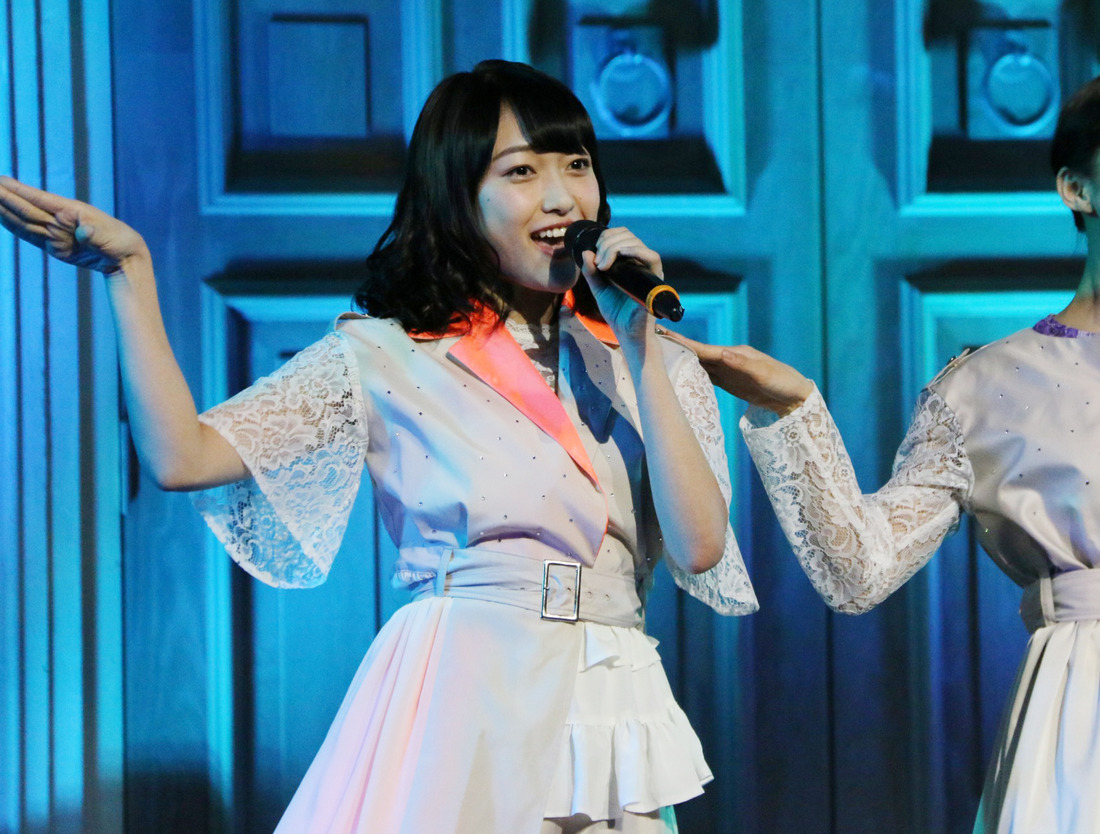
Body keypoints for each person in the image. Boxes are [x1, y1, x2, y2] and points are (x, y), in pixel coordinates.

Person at [0, 59, 757, 833]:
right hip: (467, 690)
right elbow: (182, 457)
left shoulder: (645, 360)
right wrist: (129, 272)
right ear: (459, 196)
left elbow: (699, 547)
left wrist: (640, 347)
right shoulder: (388, 354)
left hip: (609, 691)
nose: (562, 197)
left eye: (577, 165)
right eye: (521, 171)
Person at [667, 74, 1100, 834]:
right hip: (1082, 711)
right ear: (1078, 187)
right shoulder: (987, 388)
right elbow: (859, 569)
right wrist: (792, 409)